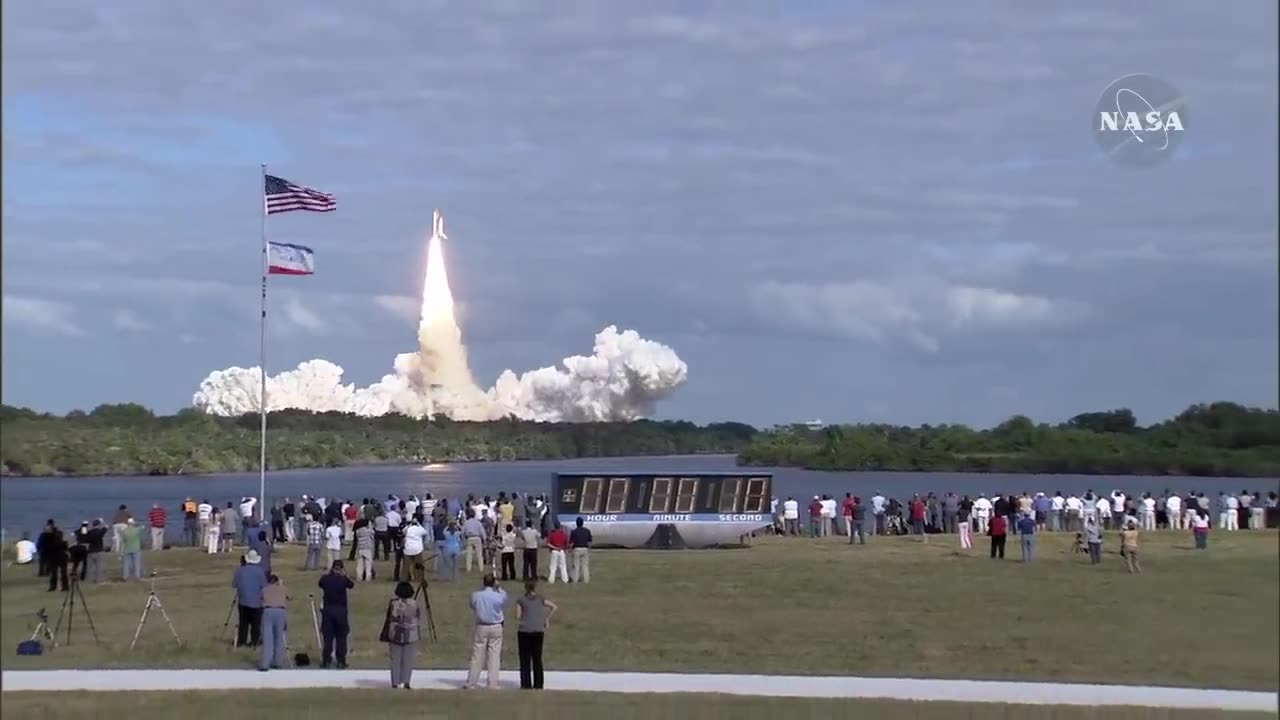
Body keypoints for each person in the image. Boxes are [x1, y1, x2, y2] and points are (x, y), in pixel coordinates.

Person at [465, 572, 509, 689]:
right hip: (496, 626)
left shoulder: (476, 595)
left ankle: (471, 682)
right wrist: (498, 587)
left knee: (477, 655)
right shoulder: (498, 596)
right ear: (493, 583)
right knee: (494, 656)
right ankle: (492, 683)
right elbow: (505, 598)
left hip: (481, 626)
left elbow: (472, 605)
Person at [516, 578, 557, 690]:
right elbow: (554, 606)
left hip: (525, 631)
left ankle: (526, 684)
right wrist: (546, 619)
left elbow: (518, 616)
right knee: (537, 658)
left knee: (525, 659)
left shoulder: (521, 599)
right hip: (538, 631)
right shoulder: (540, 598)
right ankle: (538, 684)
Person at [380, 581, 422, 689]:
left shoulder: (393, 603)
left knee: (395, 659)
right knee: (408, 659)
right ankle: (406, 681)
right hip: (411, 634)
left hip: (395, 633)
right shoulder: (415, 604)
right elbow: (418, 616)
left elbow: (388, 616)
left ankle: (395, 682)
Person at [318, 560, 354, 669]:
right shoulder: (343, 580)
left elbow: (320, 583)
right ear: (341, 568)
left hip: (328, 610)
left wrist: (329, 573)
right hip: (341, 611)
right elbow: (351, 585)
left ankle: (326, 660)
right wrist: (345, 575)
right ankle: (341, 661)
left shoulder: (326, 579)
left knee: (328, 637)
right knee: (341, 637)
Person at [233, 550, 267, 647]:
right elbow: (264, 586)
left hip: (243, 601)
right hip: (256, 602)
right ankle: (254, 641)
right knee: (256, 623)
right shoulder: (260, 571)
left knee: (243, 622)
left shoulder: (239, 570)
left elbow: (234, 584)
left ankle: (241, 641)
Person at [259, 574, 289, 671]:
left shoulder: (264, 589)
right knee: (279, 637)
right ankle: (278, 662)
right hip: (280, 612)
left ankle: (265, 664)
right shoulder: (283, 589)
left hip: (268, 611)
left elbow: (260, 598)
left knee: (268, 638)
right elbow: (290, 597)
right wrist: (281, 585)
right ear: (277, 581)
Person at [402, 518, 428, 583]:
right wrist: (419, 525)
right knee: (418, 565)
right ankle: (419, 578)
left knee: (406, 566)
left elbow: (403, 531)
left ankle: (404, 579)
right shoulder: (419, 529)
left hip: (408, 549)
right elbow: (425, 532)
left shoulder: (407, 528)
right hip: (417, 549)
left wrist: (409, 525)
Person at [45, 526, 69, 592]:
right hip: (62, 557)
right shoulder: (62, 541)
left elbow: (48, 549)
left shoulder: (50, 540)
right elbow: (66, 548)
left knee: (53, 573)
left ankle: (53, 587)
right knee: (63, 572)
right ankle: (65, 586)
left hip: (53, 557)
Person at [569, 517, 592, 583]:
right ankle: (586, 580)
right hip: (585, 548)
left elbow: (572, 542)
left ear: (576, 523)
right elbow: (589, 542)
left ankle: (575, 579)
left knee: (576, 566)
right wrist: (589, 549)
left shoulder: (574, 532)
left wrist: (570, 549)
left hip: (577, 549)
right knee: (585, 566)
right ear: (582, 523)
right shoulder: (587, 531)